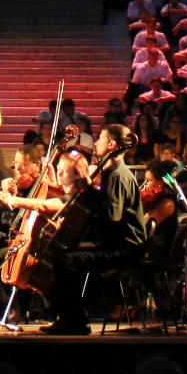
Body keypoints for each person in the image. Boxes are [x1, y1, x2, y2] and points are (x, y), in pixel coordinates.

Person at [43, 122, 146, 335]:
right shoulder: (113, 173)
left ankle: (75, 321)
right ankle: (71, 317)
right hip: (118, 243)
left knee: (66, 259)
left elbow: (113, 217)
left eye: (100, 139)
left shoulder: (117, 175)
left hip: (125, 247)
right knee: (65, 255)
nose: (96, 142)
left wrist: (89, 193)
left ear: (112, 144)